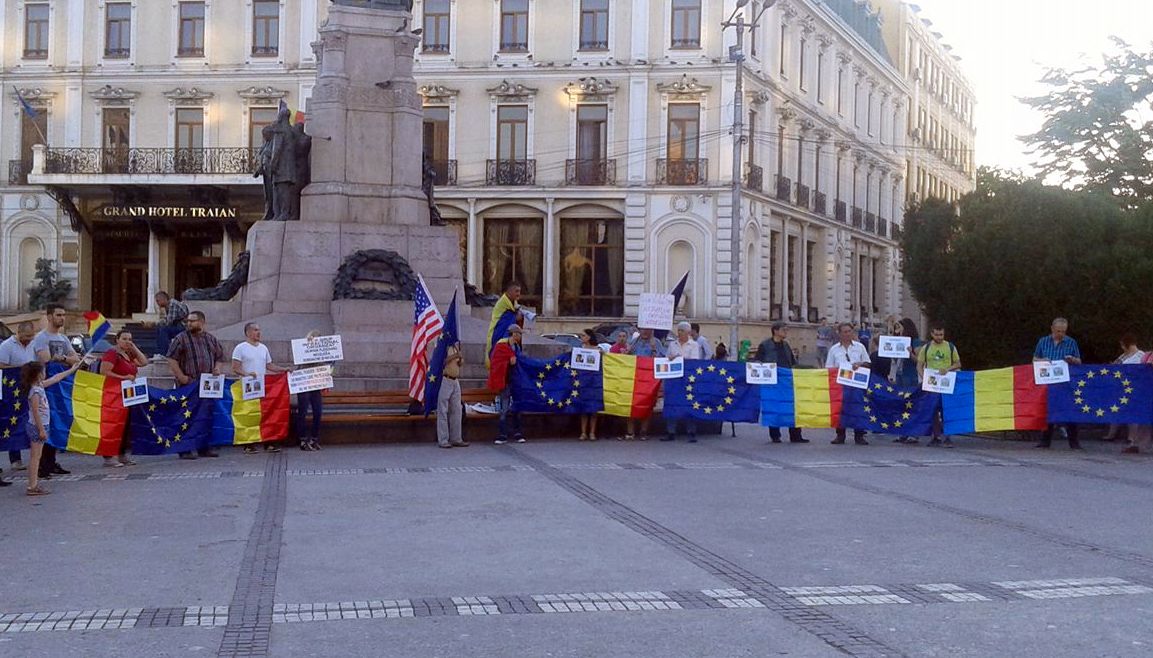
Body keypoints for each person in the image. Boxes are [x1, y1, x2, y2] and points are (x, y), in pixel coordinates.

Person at [21, 359, 84, 496]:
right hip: (38, 426)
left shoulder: (39, 386)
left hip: (41, 425)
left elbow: (56, 378)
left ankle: (33, 484)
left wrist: (72, 369)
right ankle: (32, 486)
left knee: (36, 456)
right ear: (38, 374)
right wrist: (42, 430)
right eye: (43, 372)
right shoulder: (35, 391)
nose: (45, 374)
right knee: (35, 457)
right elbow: (36, 411)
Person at [32, 303, 81, 478]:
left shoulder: (64, 338)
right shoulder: (41, 337)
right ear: (50, 316)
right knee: (47, 422)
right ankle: (42, 465)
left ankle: (51, 462)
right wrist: (65, 359)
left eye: (63, 314)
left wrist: (63, 358)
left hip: (62, 384)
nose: (62, 318)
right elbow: (45, 357)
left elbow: (75, 358)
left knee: (59, 420)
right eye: (58, 315)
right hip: (46, 385)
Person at [167, 310, 224, 459]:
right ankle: (184, 448)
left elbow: (219, 356)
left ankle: (203, 447)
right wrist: (181, 376)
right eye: (188, 321)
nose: (189, 324)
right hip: (189, 384)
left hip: (207, 385)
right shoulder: (181, 339)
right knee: (187, 416)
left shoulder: (211, 339)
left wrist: (217, 368)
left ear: (202, 322)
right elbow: (172, 359)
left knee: (204, 416)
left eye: (192, 321)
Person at [232, 322, 290, 454]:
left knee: (266, 413)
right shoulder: (240, 348)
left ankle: (268, 441)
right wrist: (247, 375)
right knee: (249, 414)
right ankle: (249, 443)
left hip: (262, 386)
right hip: (247, 386)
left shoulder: (263, 348)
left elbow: (269, 366)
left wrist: (282, 370)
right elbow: (235, 367)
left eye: (259, 330)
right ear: (248, 332)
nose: (258, 333)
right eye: (255, 330)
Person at [99, 330, 149, 467]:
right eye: (125, 339)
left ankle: (122, 454)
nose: (128, 341)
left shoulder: (129, 354)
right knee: (113, 425)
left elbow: (144, 362)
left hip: (128, 396)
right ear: (117, 340)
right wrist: (124, 378)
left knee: (126, 426)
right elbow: (104, 372)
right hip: (114, 394)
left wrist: (134, 348)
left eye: (130, 339)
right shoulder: (111, 354)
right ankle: (109, 457)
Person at [755, 323, 809, 444]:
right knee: (773, 406)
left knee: (791, 406)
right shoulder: (765, 345)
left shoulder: (786, 345)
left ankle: (795, 435)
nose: (786, 332)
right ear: (775, 331)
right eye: (783, 330)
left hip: (786, 380)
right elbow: (758, 361)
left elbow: (792, 362)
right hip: (772, 381)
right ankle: (775, 434)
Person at [1033, 317, 1082, 450]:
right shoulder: (1043, 341)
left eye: (1063, 331)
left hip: (1065, 381)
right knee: (1047, 409)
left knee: (1069, 409)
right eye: (1058, 331)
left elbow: (1079, 361)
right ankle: (1045, 440)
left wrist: (1071, 359)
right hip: (1047, 381)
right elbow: (1034, 359)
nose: (1060, 334)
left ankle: (1074, 442)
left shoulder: (1071, 342)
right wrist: (1043, 360)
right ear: (1052, 329)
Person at [0, 320, 38, 476]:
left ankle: (34, 455)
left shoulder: (32, 344)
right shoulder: (6, 346)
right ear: (19, 332)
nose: (29, 338)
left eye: (31, 335)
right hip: (12, 392)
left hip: (29, 388)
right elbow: (1, 366)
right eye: (27, 336)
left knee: (29, 420)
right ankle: (15, 459)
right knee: (12, 421)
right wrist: (19, 369)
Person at [915, 325, 962, 447]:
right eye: (937, 335)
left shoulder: (950, 347)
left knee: (946, 409)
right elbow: (919, 365)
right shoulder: (926, 348)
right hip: (932, 384)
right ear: (932, 334)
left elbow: (958, 363)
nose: (939, 337)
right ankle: (935, 436)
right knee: (933, 409)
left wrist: (947, 369)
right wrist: (924, 376)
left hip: (946, 383)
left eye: (941, 335)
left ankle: (948, 436)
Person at [826, 322, 870, 445]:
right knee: (841, 408)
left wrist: (860, 364)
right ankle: (840, 434)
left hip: (857, 383)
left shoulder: (860, 347)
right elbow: (829, 367)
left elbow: (868, 362)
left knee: (858, 407)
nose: (847, 334)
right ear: (839, 334)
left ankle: (859, 435)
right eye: (844, 332)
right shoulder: (834, 349)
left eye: (849, 331)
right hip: (841, 384)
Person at [664, 322, 704, 443]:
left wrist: (679, 359)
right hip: (674, 379)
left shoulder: (694, 345)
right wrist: (671, 359)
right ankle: (670, 431)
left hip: (688, 379)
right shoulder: (672, 344)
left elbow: (694, 362)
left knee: (689, 403)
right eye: (678, 330)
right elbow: (667, 359)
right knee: (672, 403)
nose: (679, 332)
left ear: (688, 332)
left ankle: (691, 432)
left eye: (681, 330)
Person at [624, 328, 664, 440]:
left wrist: (654, 349)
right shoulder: (634, 342)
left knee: (647, 404)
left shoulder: (656, 342)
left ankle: (643, 431)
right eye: (643, 329)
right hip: (634, 377)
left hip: (648, 379)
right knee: (631, 403)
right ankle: (630, 432)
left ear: (651, 330)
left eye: (648, 330)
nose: (645, 332)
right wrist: (627, 352)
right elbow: (627, 357)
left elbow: (660, 360)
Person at [1111, 334, 1148, 453]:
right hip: (1123, 387)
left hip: (1136, 388)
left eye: (1123, 345)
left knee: (1135, 415)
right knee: (1124, 412)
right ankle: (1120, 436)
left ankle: (1133, 439)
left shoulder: (1141, 356)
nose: (1122, 348)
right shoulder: (1123, 356)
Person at [488, 324, 524, 445]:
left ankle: (518, 433)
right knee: (504, 409)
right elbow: (495, 361)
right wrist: (508, 360)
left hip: (515, 382)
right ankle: (502, 434)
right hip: (505, 381)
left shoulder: (517, 347)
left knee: (517, 408)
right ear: (514, 334)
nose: (520, 336)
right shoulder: (501, 345)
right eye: (519, 334)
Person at [296, 331, 326, 452]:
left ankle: (314, 438)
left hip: (316, 384)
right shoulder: (303, 350)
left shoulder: (322, 354)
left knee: (318, 412)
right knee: (302, 412)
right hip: (304, 383)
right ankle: (303, 439)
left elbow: (324, 367)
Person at [435, 334, 466, 449]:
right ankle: (443, 439)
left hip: (455, 380)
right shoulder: (443, 345)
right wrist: (454, 356)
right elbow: (440, 361)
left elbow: (458, 362)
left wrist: (460, 359)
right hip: (445, 379)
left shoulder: (455, 346)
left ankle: (456, 438)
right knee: (443, 410)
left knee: (457, 410)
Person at [576, 329, 600, 441]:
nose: (581, 337)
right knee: (584, 409)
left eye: (583, 335)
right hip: (583, 381)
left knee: (593, 409)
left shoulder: (597, 349)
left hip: (594, 382)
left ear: (589, 337)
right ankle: (583, 432)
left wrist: (603, 354)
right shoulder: (580, 349)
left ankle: (592, 432)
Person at [154, 291, 189, 359]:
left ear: (164, 299)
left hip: (184, 327)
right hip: (177, 325)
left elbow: (169, 322)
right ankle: (160, 352)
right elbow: (167, 320)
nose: (157, 303)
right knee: (159, 329)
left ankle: (164, 353)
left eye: (158, 301)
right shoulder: (168, 305)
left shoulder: (173, 304)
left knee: (163, 330)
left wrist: (153, 323)